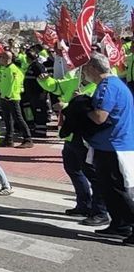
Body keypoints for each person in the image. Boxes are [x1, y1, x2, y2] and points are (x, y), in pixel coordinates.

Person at [38, 70, 106, 225]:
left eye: (87, 69)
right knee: (72, 169)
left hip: (84, 136)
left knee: (93, 175)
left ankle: (100, 211)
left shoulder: (99, 88)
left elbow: (92, 110)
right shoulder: (73, 82)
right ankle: (84, 204)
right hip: (70, 134)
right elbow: (55, 87)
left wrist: (67, 105)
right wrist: (44, 80)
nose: (82, 73)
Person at [81, 52, 134, 244]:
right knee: (108, 189)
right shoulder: (115, 84)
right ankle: (120, 225)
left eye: (86, 69)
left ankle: (129, 224)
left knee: (117, 189)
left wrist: (82, 108)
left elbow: (99, 116)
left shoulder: (107, 86)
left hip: (113, 146)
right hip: (111, 143)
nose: (85, 73)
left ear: (94, 68)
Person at [0, 51, 32, 148]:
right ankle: (9, 139)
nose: (0, 60)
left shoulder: (13, 70)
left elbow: (14, 84)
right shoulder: (5, 69)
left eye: (1, 58)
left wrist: (9, 95)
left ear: (6, 58)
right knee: (8, 119)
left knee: (18, 118)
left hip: (12, 98)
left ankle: (28, 139)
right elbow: (2, 82)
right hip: (4, 97)